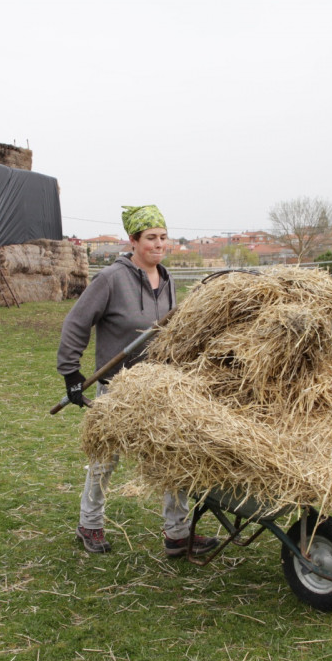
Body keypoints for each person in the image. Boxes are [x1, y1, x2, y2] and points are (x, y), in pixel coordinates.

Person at [58, 205, 219, 556]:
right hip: (118, 387)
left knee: (174, 455)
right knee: (105, 458)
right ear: (133, 240)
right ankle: (90, 523)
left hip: (159, 387)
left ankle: (178, 533)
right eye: (151, 238)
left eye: (163, 237)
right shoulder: (111, 279)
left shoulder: (168, 278)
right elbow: (76, 322)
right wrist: (71, 372)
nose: (159, 244)